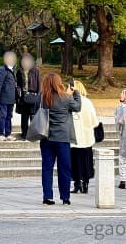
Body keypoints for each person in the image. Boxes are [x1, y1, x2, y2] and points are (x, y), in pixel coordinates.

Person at [35, 73, 82, 205]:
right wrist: (76, 93)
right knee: (64, 168)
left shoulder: (41, 98)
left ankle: (48, 197)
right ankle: (65, 197)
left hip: (46, 136)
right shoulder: (65, 97)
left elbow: (35, 111)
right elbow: (77, 107)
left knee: (47, 168)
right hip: (62, 137)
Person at [70, 78, 97, 194]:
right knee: (86, 161)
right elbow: (94, 120)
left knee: (75, 161)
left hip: (74, 137)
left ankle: (77, 183)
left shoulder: (70, 102)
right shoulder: (88, 102)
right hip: (86, 137)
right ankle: (85, 182)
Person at [0, 51, 18, 141]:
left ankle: (8, 134)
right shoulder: (2, 70)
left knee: (9, 116)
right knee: (3, 116)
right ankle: (0, 134)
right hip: (4, 97)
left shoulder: (12, 70)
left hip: (11, 98)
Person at [16, 53, 41, 140]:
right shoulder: (19, 71)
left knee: (33, 116)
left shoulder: (36, 70)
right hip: (23, 96)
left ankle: (33, 134)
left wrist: (38, 96)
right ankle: (24, 134)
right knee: (24, 117)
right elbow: (18, 84)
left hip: (33, 95)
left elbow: (39, 84)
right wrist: (18, 94)